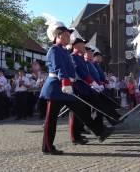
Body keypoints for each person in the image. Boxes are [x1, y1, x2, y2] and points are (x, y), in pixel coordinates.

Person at [40, 18, 107, 155]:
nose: (68, 37)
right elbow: (59, 68)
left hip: (66, 87)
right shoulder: (54, 50)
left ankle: (100, 131)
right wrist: (65, 82)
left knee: (81, 109)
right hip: (56, 88)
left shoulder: (64, 51)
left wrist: (69, 83)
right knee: (51, 119)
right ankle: (47, 146)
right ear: (57, 36)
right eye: (65, 35)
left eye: (68, 35)